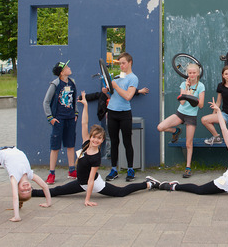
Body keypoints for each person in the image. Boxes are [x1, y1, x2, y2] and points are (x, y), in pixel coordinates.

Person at [32, 92, 160, 204]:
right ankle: (32, 193)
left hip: (93, 183)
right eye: (94, 137)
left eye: (99, 139)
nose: (95, 140)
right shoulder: (86, 143)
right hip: (81, 183)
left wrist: (87, 199)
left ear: (102, 141)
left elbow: (91, 180)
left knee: (121, 192)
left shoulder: (96, 157)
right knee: (57, 191)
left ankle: (149, 184)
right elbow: (84, 123)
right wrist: (86, 106)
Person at [0, 146, 51, 221]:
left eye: (23, 191)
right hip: (8, 149)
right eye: (28, 190)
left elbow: (15, 197)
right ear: (31, 187)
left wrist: (17, 216)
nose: (26, 188)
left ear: (18, 189)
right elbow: (44, 186)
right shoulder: (30, 174)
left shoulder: (14, 177)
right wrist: (48, 203)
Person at [157, 63, 205, 178]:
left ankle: (188, 167)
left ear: (198, 73)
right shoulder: (184, 84)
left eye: (194, 73)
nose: (192, 75)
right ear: (187, 74)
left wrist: (192, 97)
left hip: (191, 117)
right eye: (190, 73)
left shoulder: (201, 86)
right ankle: (175, 131)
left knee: (189, 143)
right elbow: (182, 102)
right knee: (160, 127)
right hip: (180, 114)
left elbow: (201, 105)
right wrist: (187, 89)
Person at [105, 52, 139, 182]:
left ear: (130, 62)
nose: (121, 66)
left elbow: (128, 96)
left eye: (123, 63)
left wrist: (116, 86)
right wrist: (107, 91)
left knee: (127, 142)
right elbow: (114, 95)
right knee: (114, 142)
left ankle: (130, 169)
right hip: (112, 112)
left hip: (124, 114)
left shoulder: (133, 78)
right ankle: (114, 169)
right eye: (119, 64)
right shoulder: (118, 77)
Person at [43, 60, 78, 184]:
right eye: (67, 67)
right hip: (59, 119)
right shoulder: (55, 84)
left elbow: (74, 100)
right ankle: (51, 173)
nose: (69, 68)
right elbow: (46, 102)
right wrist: (50, 118)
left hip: (70, 118)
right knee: (55, 146)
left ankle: (72, 170)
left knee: (70, 145)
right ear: (62, 72)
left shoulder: (72, 83)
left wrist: (76, 113)